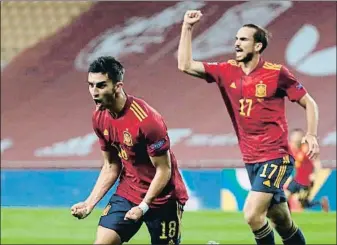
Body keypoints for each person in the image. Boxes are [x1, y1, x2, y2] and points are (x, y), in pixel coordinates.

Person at [177, 10, 320, 245]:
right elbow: (185, 65)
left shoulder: (277, 74)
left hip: (276, 157)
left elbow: (309, 102)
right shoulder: (226, 71)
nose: (237, 43)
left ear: (258, 46)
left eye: (243, 39)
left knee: (253, 215)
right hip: (251, 160)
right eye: (236, 39)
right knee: (282, 221)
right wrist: (187, 27)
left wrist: (311, 134)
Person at [71, 56, 188, 245]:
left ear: (118, 86)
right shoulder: (99, 117)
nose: (94, 92)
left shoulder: (147, 120)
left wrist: (144, 206)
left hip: (162, 198)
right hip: (128, 192)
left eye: (101, 86)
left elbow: (164, 170)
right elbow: (111, 165)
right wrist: (89, 204)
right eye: (91, 85)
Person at [286, 128, 329, 212]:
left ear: (301, 138)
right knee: (285, 196)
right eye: (293, 137)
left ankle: (321, 203)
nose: (294, 139)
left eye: (296, 137)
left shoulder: (307, 149)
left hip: (306, 182)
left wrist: (314, 175)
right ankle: (287, 216)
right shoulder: (292, 148)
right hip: (296, 179)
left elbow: (317, 163)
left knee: (303, 204)